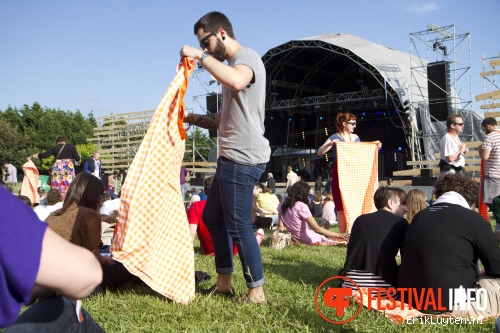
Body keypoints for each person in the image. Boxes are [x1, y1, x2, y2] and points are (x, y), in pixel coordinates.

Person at [181, 11, 270, 304]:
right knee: (212, 217)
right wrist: (190, 117)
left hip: (242, 158)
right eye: (201, 45)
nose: (204, 49)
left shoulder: (247, 58)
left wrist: (200, 57)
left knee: (239, 225)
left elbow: (235, 81)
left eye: (204, 42)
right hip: (230, 157)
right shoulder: (232, 65)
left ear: (221, 33)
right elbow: (224, 118)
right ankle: (223, 283)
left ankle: (256, 292)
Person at [0, 187, 104, 332]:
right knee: (65, 306)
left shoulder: (56, 213)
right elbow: (89, 272)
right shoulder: (89, 215)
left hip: (50, 262)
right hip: (70, 269)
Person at [398, 174, 500, 316]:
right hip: (454, 304)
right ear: (469, 199)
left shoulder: (419, 217)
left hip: (411, 300)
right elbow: (496, 268)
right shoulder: (474, 219)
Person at [45, 173, 135, 292]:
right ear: (94, 195)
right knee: (129, 263)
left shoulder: (55, 214)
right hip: (75, 283)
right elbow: (93, 257)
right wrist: (104, 260)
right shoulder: (88, 215)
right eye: (102, 194)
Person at [317, 112, 381, 233]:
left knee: (355, 202)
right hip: (340, 172)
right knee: (340, 205)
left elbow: (361, 152)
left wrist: (375, 146)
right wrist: (330, 144)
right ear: (344, 124)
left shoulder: (356, 137)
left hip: (353, 173)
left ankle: (356, 231)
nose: (354, 126)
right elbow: (319, 152)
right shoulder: (335, 137)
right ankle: (342, 234)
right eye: (352, 123)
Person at [342, 187, 408, 298]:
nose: (404, 209)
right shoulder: (400, 222)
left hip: (350, 286)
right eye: (400, 204)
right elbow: (407, 258)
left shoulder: (360, 220)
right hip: (383, 291)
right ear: (390, 203)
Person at [277, 181, 348, 246]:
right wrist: (339, 235)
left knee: (329, 238)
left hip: (295, 239)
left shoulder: (282, 205)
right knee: (344, 241)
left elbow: (280, 227)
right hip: (310, 240)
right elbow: (316, 229)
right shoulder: (301, 206)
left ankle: (327, 236)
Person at [187, 176, 237, 256]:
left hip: (209, 251)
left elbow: (191, 234)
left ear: (205, 191)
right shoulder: (231, 205)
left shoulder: (196, 206)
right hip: (232, 250)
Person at [477, 117, 500, 233]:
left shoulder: (489, 137)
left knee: (492, 204)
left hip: (493, 176)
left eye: (483, 128)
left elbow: (485, 157)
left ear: (487, 126)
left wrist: (479, 150)